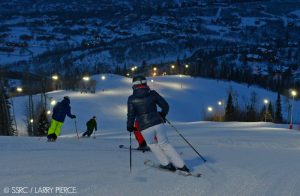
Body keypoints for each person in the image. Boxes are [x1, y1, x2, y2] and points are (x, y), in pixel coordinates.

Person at [127, 75, 189, 172]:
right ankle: (181, 166)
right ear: (145, 83)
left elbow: (131, 115)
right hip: (158, 123)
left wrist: (130, 126)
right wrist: (162, 115)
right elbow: (165, 106)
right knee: (165, 144)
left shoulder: (131, 99)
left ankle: (166, 164)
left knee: (152, 144)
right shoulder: (153, 94)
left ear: (133, 86)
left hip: (145, 127)